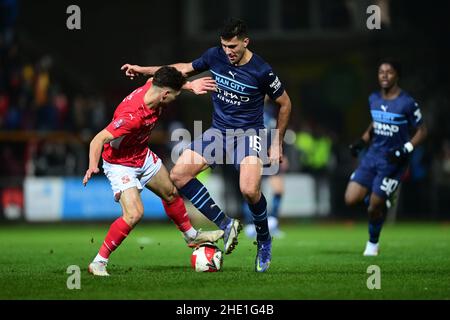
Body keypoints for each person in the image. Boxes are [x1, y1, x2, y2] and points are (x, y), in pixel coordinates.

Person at [121, 18, 292, 272]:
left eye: (233, 46)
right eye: (224, 46)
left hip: (248, 134)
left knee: (249, 189)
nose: (228, 51)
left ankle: (264, 239)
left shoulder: (262, 70)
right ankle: (225, 224)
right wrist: (143, 70)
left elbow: (285, 104)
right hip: (219, 132)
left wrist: (277, 143)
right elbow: (180, 69)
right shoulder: (215, 56)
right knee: (179, 174)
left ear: (246, 42)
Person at [83, 66, 223, 276]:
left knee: (171, 193)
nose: (173, 100)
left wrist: (189, 85)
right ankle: (99, 262)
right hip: (120, 163)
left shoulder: (154, 87)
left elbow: (162, 74)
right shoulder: (132, 116)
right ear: (165, 94)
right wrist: (92, 165)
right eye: (173, 97)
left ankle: (191, 236)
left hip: (142, 154)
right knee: (134, 214)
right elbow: (98, 139)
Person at [345, 58, 427, 256]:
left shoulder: (406, 102)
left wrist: (406, 148)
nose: (384, 75)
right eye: (381, 71)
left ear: (397, 75)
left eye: (389, 72)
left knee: (374, 208)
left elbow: (422, 131)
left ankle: (373, 244)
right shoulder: (373, 98)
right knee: (350, 198)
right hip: (373, 155)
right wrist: (362, 141)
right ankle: (381, 198)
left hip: (394, 160)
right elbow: (376, 123)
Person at [244, 96, 288, 239]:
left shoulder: (270, 111)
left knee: (278, 189)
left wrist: (280, 150)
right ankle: (251, 224)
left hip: (270, 155)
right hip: (253, 154)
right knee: (252, 189)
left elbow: (274, 133)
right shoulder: (248, 109)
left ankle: (273, 222)